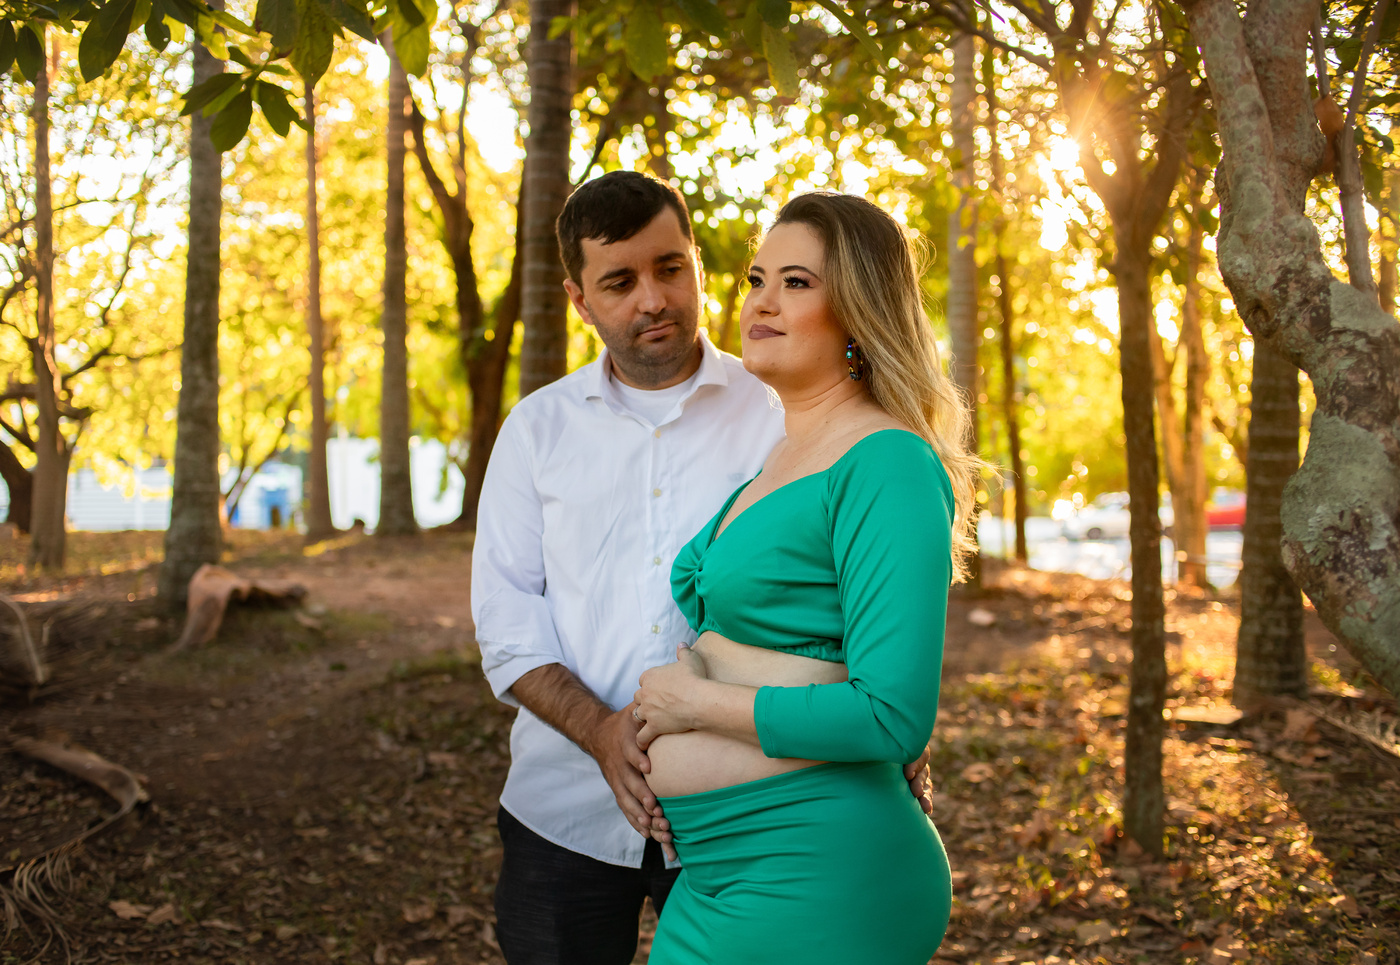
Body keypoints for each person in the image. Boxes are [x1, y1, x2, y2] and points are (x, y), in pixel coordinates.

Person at [471, 172, 935, 965]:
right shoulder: (536, 430)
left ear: (694, 261)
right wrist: (603, 734)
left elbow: (871, 608)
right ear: (579, 299)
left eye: (670, 268)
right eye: (620, 282)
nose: (653, 299)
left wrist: (888, 728)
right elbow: (507, 619)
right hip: (568, 811)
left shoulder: (785, 403)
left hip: (760, 832)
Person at [632, 192, 979, 964]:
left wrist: (693, 705)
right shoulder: (782, 456)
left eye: (796, 282)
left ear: (857, 310)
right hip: (722, 866)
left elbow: (892, 714)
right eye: (756, 280)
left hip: (817, 863)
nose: (762, 301)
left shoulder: (886, 460)